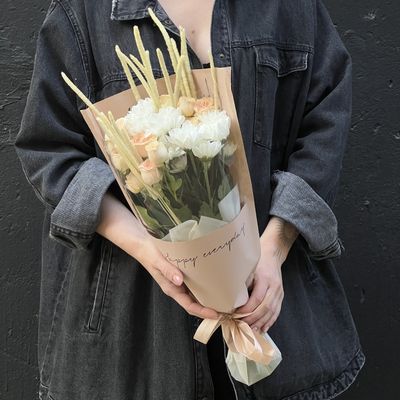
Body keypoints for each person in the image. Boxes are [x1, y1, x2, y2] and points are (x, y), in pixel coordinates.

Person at [15, 0, 365, 399]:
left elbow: (325, 122)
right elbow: (50, 150)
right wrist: (149, 249)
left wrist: (275, 246)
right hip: (133, 335)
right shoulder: (83, 11)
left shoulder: (289, 8)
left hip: (274, 314)